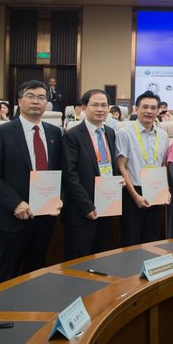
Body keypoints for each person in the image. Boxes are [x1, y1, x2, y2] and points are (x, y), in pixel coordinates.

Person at [0, 80, 63, 283]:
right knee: (7, 277)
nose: (36, 101)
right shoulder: (2, 132)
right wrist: (15, 203)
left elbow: (59, 171)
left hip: (44, 218)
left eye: (41, 97)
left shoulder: (54, 133)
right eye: (31, 96)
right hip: (13, 219)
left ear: (47, 103)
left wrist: (60, 198)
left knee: (36, 274)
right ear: (19, 101)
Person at [61, 89, 122, 260]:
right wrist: (87, 206)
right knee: (78, 263)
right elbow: (70, 176)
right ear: (84, 107)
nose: (100, 109)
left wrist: (118, 181)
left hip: (106, 207)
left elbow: (109, 166)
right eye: (95, 105)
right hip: (81, 212)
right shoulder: (72, 136)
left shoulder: (110, 132)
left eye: (104, 105)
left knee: (102, 260)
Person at [116, 90, 170, 246]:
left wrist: (164, 191)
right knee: (131, 240)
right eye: (145, 107)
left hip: (155, 192)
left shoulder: (163, 135)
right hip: (133, 191)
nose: (149, 111)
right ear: (136, 109)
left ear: (158, 110)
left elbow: (162, 165)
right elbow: (122, 166)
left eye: (153, 108)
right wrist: (135, 196)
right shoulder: (124, 133)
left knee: (152, 239)